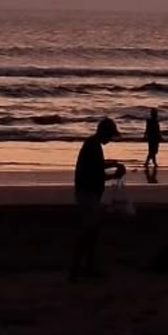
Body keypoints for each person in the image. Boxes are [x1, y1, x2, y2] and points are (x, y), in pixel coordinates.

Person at [70, 117, 126, 280]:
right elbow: (97, 174)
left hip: (86, 192)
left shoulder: (92, 144)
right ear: (105, 133)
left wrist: (114, 164)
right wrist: (115, 174)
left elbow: (98, 165)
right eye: (110, 135)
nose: (110, 139)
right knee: (89, 231)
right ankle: (81, 268)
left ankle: (84, 267)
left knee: (90, 230)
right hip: (87, 193)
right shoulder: (93, 146)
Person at [143, 107, 163, 182]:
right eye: (154, 113)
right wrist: (145, 136)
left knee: (154, 151)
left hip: (155, 137)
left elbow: (158, 129)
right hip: (151, 137)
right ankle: (150, 162)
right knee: (152, 151)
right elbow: (147, 129)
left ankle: (150, 162)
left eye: (155, 113)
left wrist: (160, 136)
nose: (155, 115)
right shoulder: (149, 121)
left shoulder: (156, 121)